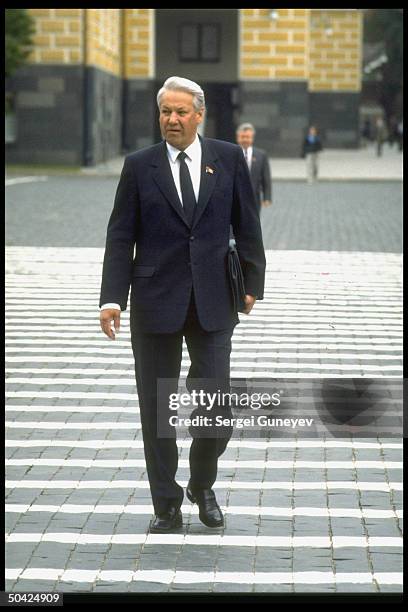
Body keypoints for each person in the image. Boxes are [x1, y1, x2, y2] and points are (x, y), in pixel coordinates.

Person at [99, 76, 266, 533]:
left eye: (180, 112)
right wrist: (112, 298)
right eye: (165, 112)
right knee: (158, 412)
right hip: (154, 301)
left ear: (199, 115)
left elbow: (247, 223)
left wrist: (254, 280)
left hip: (214, 300)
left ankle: (202, 484)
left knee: (215, 408)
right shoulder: (139, 165)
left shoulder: (228, 159)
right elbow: (120, 235)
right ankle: (166, 504)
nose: (171, 120)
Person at [235, 123, 272, 210]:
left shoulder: (261, 155)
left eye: (247, 137)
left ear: (252, 138)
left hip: (254, 198)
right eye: (242, 137)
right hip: (235, 196)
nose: (245, 139)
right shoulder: (230, 153)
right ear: (237, 137)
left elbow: (266, 178)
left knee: (253, 222)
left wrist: (267, 197)